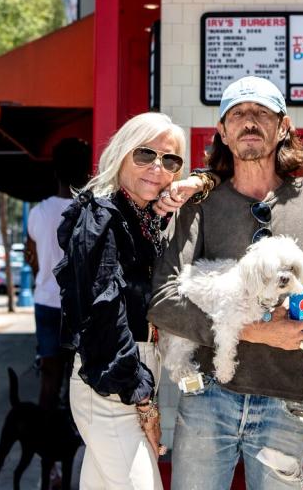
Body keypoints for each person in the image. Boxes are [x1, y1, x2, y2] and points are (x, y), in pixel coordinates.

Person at [149, 76, 303, 490]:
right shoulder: (200, 203)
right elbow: (163, 301)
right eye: (238, 114)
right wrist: (256, 332)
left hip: (288, 403)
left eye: (261, 113)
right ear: (223, 132)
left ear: (283, 126)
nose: (249, 122)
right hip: (208, 395)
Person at [54, 112, 187, 490]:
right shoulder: (102, 216)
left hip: (130, 377)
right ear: (121, 154)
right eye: (144, 154)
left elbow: (217, 177)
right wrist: (143, 398)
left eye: (170, 159)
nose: (157, 168)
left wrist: (192, 185)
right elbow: (102, 319)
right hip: (113, 382)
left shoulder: (144, 217)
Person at [25, 137, 91, 410]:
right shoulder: (91, 211)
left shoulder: (38, 211)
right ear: (87, 173)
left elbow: (34, 261)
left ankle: (46, 436)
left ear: (55, 172)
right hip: (80, 306)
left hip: (46, 302)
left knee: (49, 377)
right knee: (79, 377)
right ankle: (74, 438)